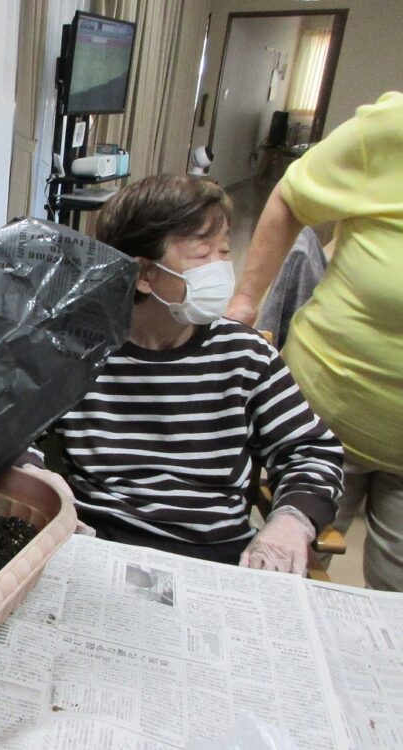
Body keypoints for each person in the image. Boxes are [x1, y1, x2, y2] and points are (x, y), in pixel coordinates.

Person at [38, 174, 343, 572]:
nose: (220, 269)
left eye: (224, 251)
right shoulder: (79, 350)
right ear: (144, 275)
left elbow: (312, 451)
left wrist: (291, 521)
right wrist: (38, 481)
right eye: (202, 256)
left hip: (215, 556)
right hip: (100, 546)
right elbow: (12, 438)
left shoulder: (245, 355)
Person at [227, 91, 403, 591]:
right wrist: (244, 302)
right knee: (296, 556)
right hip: (332, 410)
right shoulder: (391, 129)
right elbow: (291, 196)